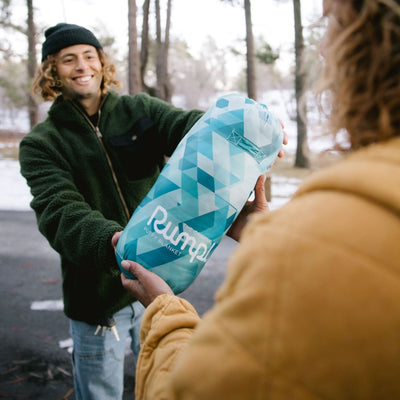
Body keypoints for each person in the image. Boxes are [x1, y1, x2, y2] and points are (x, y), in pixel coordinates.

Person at [120, 0, 400, 399]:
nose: (321, 49)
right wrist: (265, 235)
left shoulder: (332, 222)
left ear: (365, 46)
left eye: (330, 25)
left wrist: (165, 312)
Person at [19, 23, 207, 400]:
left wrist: (236, 129)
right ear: (52, 71)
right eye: (68, 59)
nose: (82, 65)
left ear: (102, 63)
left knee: (168, 386)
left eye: (89, 55)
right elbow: (60, 211)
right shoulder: (42, 143)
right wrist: (115, 243)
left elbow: (186, 126)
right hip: (98, 301)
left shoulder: (140, 110)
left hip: (160, 287)